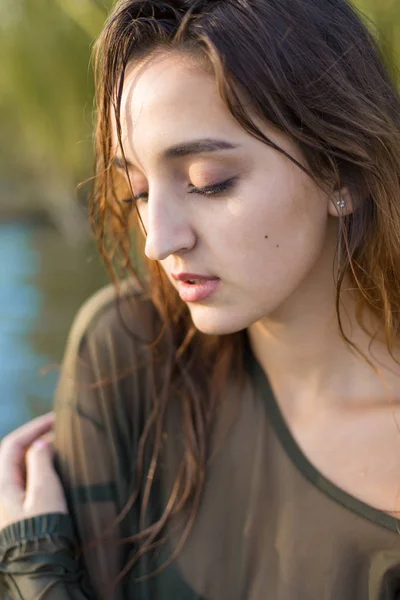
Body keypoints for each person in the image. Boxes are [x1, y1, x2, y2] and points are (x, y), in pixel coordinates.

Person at [2, 0, 400, 597]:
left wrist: (36, 575)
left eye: (207, 182)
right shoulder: (129, 353)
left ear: (342, 172)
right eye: (137, 191)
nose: (159, 241)